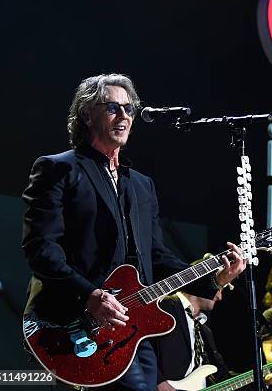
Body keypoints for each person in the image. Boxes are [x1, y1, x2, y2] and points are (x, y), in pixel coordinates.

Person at [21, 74, 246, 391]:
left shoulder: (141, 184)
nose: (124, 116)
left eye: (129, 109)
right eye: (113, 107)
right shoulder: (59, 168)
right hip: (75, 324)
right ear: (87, 114)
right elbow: (41, 249)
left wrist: (212, 279)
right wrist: (89, 294)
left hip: (132, 331)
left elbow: (154, 256)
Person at [154, 260, 272, 391]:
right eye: (219, 287)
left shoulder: (204, 331)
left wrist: (263, 380)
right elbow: (138, 347)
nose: (220, 297)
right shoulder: (165, 306)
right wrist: (158, 381)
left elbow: (222, 379)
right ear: (202, 281)